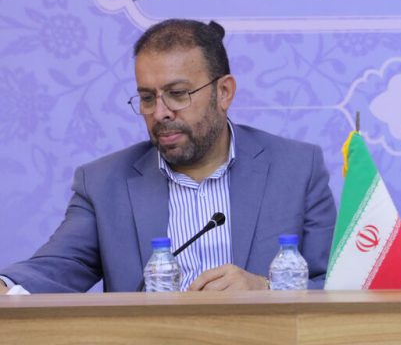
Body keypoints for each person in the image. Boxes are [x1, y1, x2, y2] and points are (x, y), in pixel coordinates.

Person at [0, 19, 337, 293]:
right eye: (148, 98)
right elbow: (58, 266)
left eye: (177, 94)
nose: (160, 112)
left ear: (224, 92)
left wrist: (266, 288)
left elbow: (338, 284)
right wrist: (6, 285)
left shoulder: (296, 169)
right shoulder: (103, 183)